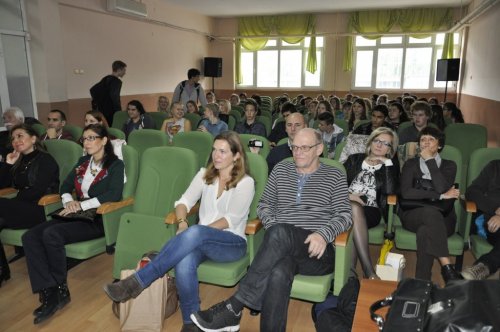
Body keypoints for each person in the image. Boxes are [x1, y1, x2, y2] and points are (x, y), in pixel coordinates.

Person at [190, 128, 352, 332]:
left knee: (280, 233)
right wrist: (275, 230)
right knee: (279, 271)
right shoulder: (281, 170)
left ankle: (234, 306)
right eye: (294, 147)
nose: (297, 152)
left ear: (319, 149)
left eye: (305, 148)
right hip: (282, 246)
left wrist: (323, 234)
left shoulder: (334, 175)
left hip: (317, 251)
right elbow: (264, 205)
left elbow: (345, 215)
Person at [103, 131, 255, 332]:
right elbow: (183, 201)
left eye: (223, 151)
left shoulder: (246, 182)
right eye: (214, 150)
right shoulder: (204, 174)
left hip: (231, 243)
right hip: (200, 240)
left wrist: (195, 233)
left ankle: (138, 281)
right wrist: (183, 223)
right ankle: (191, 322)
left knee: (196, 233)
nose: (216, 155)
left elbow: (230, 220)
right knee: (185, 261)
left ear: (236, 156)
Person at [22, 124, 124, 324]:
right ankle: (48, 288)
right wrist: (69, 201)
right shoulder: (82, 162)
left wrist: (81, 205)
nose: (86, 142)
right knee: (30, 236)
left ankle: (60, 289)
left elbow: (114, 194)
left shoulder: (115, 165)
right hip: (76, 213)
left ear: (104, 141)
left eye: (92, 138)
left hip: (97, 217)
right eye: (84, 138)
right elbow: (65, 186)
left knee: (52, 235)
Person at [398, 127, 462, 283]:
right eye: (422, 139)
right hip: (413, 214)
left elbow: (441, 185)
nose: (425, 142)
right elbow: (406, 193)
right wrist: (439, 196)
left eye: (431, 139)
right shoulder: (411, 164)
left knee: (425, 231)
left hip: (444, 218)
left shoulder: (449, 165)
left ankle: (422, 282)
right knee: (429, 212)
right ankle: (447, 266)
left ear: (439, 145)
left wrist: (430, 161)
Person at [0, 124, 59, 286]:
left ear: (33, 139)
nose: (16, 140)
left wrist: (12, 203)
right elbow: (2, 184)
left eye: (20, 136)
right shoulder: (18, 161)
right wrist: (7, 164)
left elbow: (38, 190)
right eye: (13, 138)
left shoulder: (46, 160)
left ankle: (2, 271)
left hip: (41, 208)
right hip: (20, 208)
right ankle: (2, 270)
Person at [343, 127, 399, 278]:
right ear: (371, 142)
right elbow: (336, 184)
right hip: (345, 204)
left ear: (390, 149)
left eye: (386, 143)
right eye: (377, 141)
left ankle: (359, 272)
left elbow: (390, 191)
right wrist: (349, 195)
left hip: (371, 210)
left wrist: (387, 164)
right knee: (352, 211)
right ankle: (357, 274)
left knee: (354, 212)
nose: (380, 145)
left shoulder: (390, 166)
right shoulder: (354, 159)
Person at [462, 159, 500, 280]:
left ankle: (484, 267)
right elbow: (472, 192)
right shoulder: (495, 166)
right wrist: (495, 210)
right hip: (494, 222)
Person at [90, 60, 127, 126]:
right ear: (119, 70)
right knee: (113, 128)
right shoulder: (117, 82)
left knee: (105, 128)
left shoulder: (106, 78)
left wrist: (99, 103)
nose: (125, 72)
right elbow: (115, 97)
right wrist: (119, 111)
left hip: (102, 111)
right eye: (124, 70)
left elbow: (92, 90)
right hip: (111, 112)